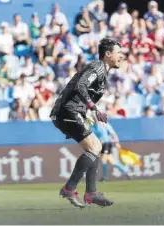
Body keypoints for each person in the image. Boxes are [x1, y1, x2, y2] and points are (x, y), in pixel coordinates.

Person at [50, 38, 124, 208]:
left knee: (95, 147)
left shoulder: (103, 72)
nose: (121, 56)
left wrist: (86, 111)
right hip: (67, 111)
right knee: (95, 147)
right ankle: (71, 188)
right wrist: (93, 107)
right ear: (108, 54)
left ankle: (91, 192)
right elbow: (80, 85)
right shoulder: (97, 67)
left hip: (73, 111)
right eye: (118, 53)